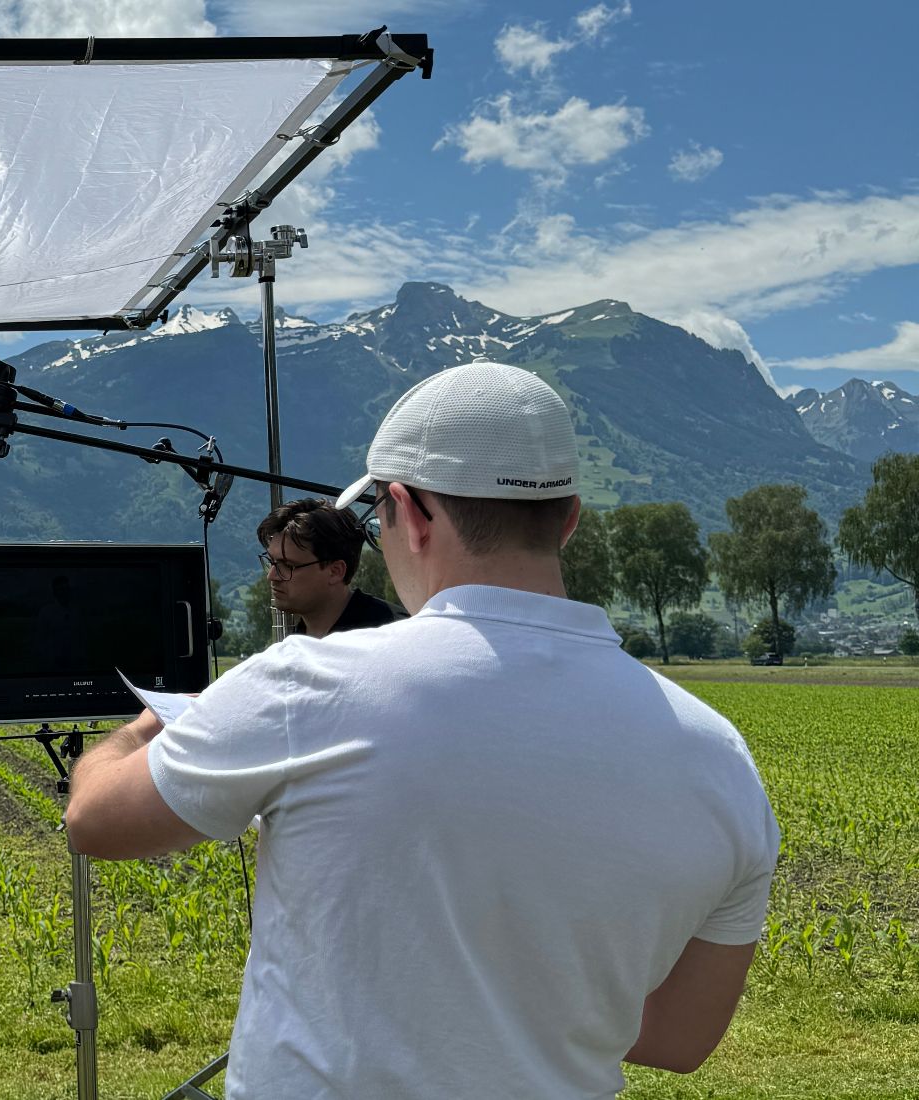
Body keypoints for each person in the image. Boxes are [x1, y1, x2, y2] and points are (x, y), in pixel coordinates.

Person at [65, 363, 780, 1097]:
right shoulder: (720, 755)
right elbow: (680, 1039)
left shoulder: (305, 682)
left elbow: (95, 821)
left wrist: (142, 729)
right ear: (568, 519)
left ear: (405, 511)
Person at [256, 497, 404, 639]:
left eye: (288, 565)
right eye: (271, 561)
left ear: (335, 571)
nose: (271, 576)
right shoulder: (293, 649)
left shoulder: (395, 635)